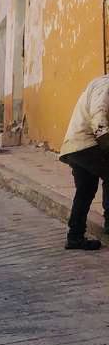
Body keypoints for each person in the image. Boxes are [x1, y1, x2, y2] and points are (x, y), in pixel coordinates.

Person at [59, 74, 109, 250]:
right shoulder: (106, 84)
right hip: (86, 144)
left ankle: (74, 237)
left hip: (75, 146)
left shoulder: (98, 82)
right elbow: (99, 120)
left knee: (85, 191)